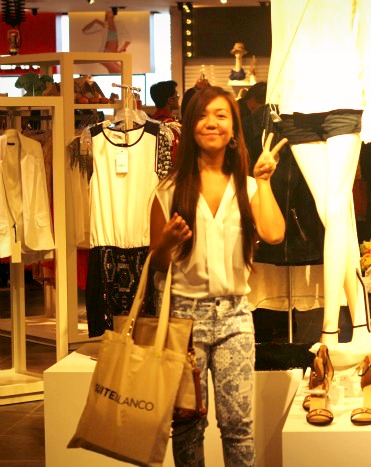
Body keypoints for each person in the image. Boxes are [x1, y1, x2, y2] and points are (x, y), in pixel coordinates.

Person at [148, 85, 287, 466]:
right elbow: (156, 263)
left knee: (238, 427)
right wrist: (166, 243)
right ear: (190, 125)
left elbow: (274, 233)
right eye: (203, 115)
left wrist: (265, 182)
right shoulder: (168, 190)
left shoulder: (248, 186)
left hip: (234, 317)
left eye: (221, 115)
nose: (212, 122)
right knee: (187, 426)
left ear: (233, 130)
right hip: (182, 320)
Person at [267, 0, 371, 349]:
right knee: (334, 214)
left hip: (344, 101)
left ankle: (329, 330)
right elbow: (279, 39)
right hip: (293, 106)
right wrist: (273, 98)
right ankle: (361, 326)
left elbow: (368, 39)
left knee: (335, 209)